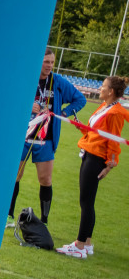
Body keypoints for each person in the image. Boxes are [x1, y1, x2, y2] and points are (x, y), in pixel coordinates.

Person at [8, 48, 86, 224]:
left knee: (45, 179)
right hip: (23, 138)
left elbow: (80, 99)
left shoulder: (57, 81)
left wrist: (64, 112)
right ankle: (9, 215)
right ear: (38, 62)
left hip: (45, 139)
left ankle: (44, 220)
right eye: (46, 62)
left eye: (52, 62)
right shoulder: (27, 79)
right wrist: (28, 106)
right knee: (15, 175)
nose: (50, 66)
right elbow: (11, 100)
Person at [56, 75, 128, 258]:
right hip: (89, 153)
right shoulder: (106, 106)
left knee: (86, 202)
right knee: (88, 201)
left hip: (96, 159)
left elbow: (113, 140)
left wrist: (110, 164)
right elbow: (98, 132)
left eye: (103, 86)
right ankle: (87, 243)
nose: (100, 89)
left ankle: (79, 246)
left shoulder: (115, 112)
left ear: (111, 91)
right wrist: (82, 127)